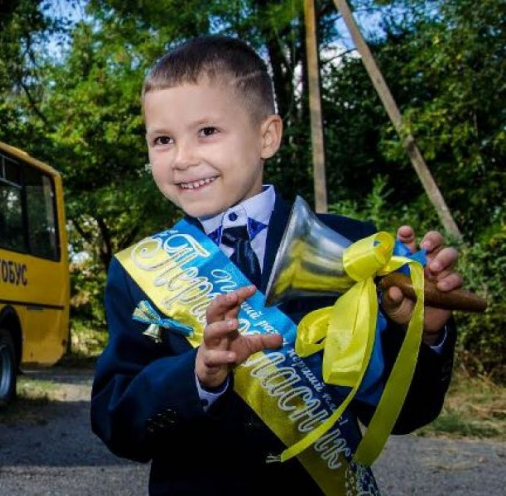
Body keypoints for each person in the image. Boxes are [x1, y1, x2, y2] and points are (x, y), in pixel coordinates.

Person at [90, 35, 459, 495]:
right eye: (162, 140)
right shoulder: (137, 271)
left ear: (267, 136)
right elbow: (115, 421)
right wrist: (197, 376)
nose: (182, 158)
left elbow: (404, 413)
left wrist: (422, 333)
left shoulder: (353, 247)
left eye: (207, 131)